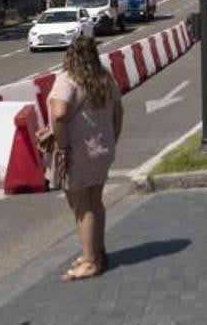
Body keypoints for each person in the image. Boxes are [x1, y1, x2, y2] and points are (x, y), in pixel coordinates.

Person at [47, 36, 124, 281]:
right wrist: (112, 139)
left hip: (78, 152)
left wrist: (63, 146)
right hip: (102, 150)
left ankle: (90, 262)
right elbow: (119, 112)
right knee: (95, 202)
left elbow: (59, 115)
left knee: (82, 208)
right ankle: (97, 253)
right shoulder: (105, 78)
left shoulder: (67, 80)